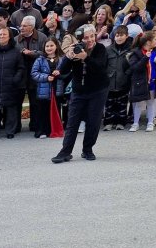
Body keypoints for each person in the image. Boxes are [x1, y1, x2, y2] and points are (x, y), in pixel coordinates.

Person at [51, 24, 109, 162]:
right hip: (79, 91)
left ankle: (87, 150)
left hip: (98, 90)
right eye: (85, 38)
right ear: (80, 39)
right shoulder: (76, 49)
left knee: (93, 121)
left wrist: (86, 58)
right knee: (72, 122)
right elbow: (63, 71)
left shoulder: (100, 49)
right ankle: (65, 152)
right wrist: (68, 57)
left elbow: (101, 69)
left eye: (91, 36)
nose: (89, 40)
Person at [0, 27, 24, 140]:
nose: (2, 36)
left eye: (4, 34)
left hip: (10, 84)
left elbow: (21, 68)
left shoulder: (16, 52)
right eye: (0, 34)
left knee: (11, 108)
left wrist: (15, 79)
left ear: (9, 37)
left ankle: (10, 131)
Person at [127, 31, 156, 132]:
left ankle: (150, 122)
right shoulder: (136, 52)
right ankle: (135, 123)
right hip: (140, 83)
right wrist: (145, 58)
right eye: (155, 39)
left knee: (151, 103)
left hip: (152, 81)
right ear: (148, 42)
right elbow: (134, 68)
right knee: (138, 103)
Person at [30, 37, 63, 138]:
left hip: (57, 88)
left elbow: (67, 71)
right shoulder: (40, 60)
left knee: (56, 110)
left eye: (51, 45)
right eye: (47, 46)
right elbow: (34, 73)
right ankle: (42, 131)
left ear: (56, 46)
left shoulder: (61, 59)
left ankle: (54, 129)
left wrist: (60, 73)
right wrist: (45, 77)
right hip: (43, 90)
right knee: (43, 111)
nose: (49, 48)